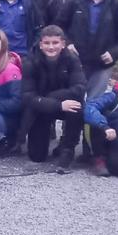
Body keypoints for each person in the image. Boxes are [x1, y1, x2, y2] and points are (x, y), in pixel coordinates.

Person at [18, 26, 85, 173]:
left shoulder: (72, 59)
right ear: (41, 44)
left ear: (63, 44)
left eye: (55, 43)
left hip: (65, 104)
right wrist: (57, 104)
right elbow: (27, 96)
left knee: (77, 106)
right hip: (41, 107)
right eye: (47, 43)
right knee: (36, 156)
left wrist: (53, 98)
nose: (51, 47)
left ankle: (67, 148)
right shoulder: (30, 62)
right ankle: (40, 139)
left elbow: (79, 89)